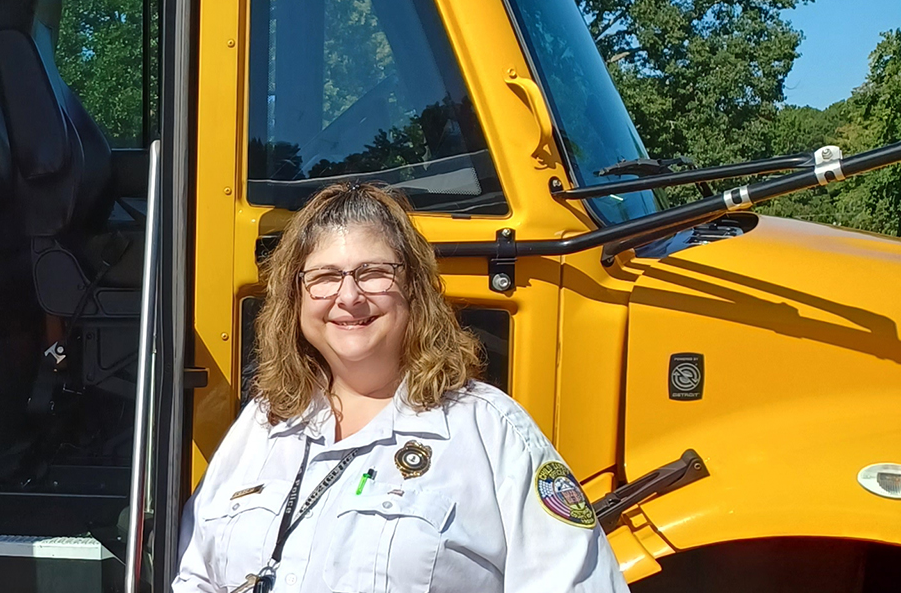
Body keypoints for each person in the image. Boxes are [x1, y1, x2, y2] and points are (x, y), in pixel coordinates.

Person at [174, 183, 626, 593]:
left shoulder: (491, 432)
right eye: (325, 277)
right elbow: (195, 578)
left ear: (413, 287)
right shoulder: (262, 425)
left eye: (372, 272)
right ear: (296, 298)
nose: (348, 297)